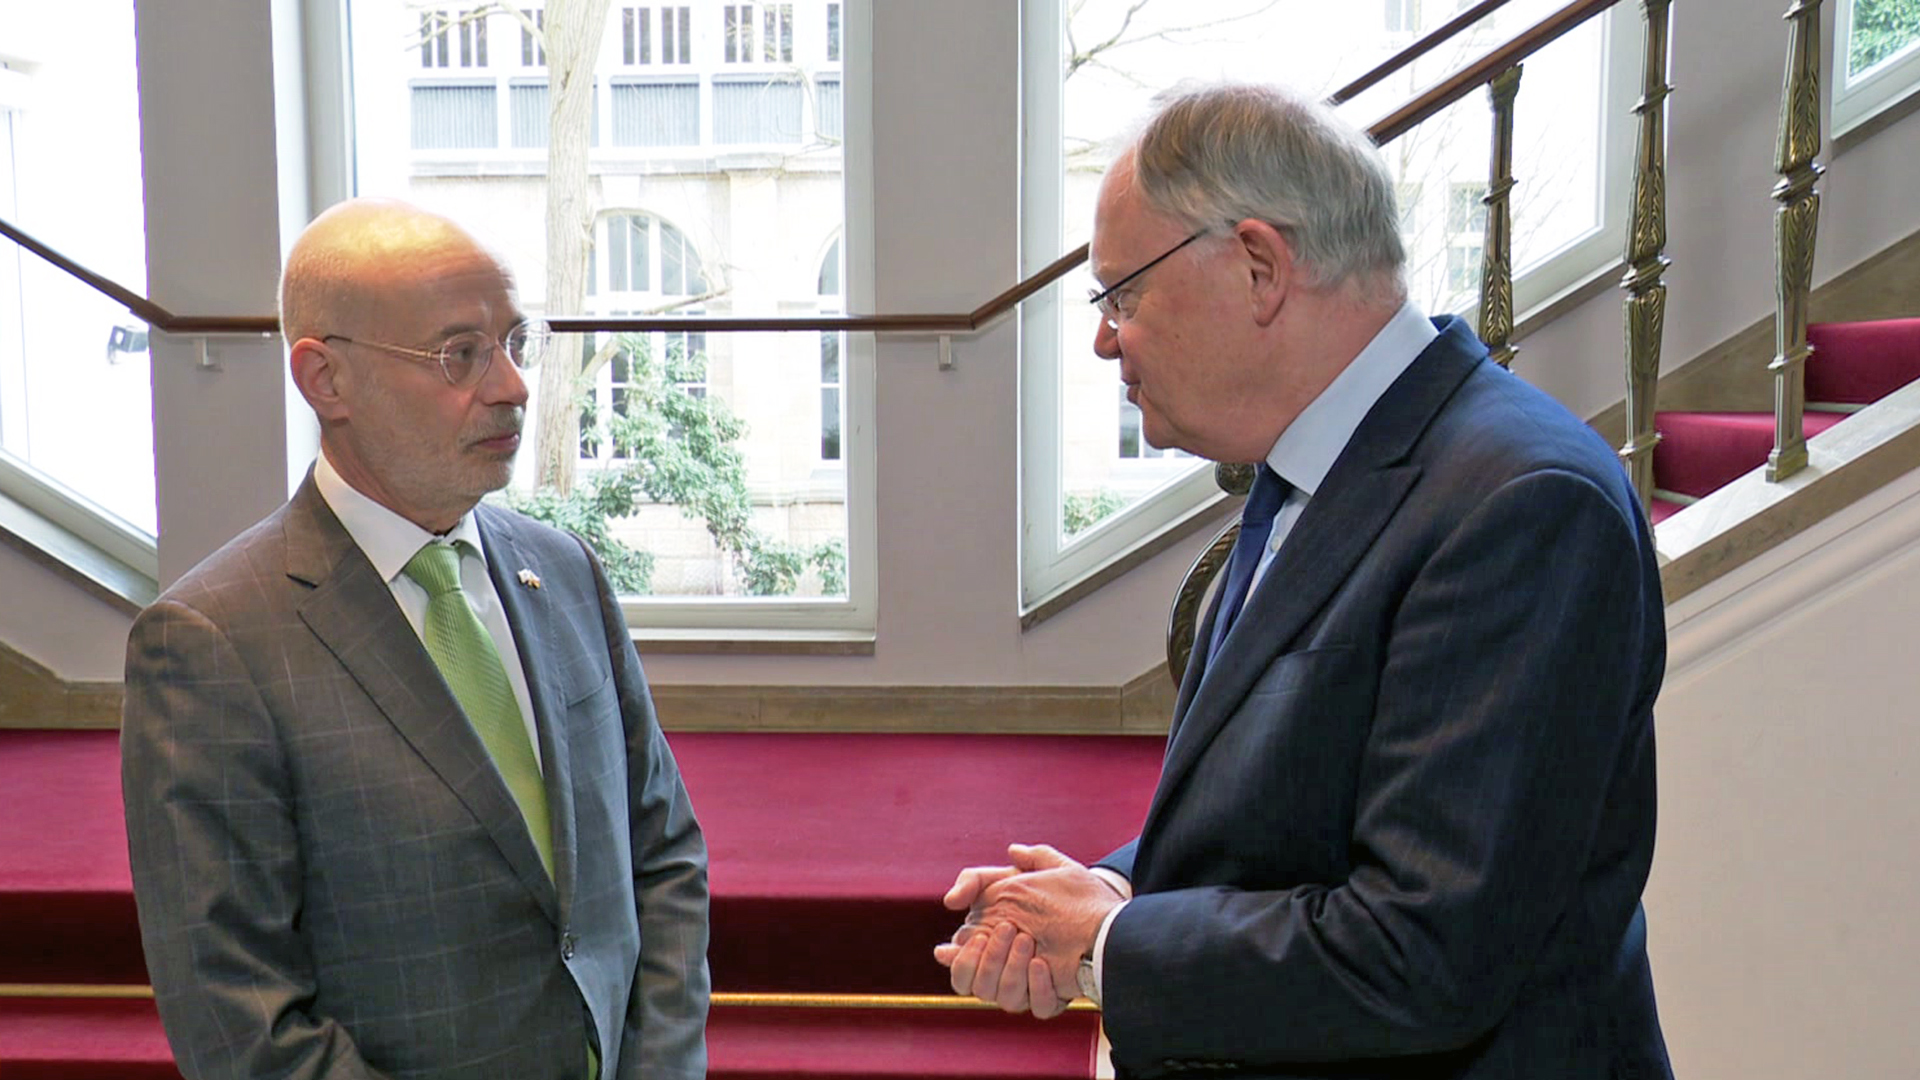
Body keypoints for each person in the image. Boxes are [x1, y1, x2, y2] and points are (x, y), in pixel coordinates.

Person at [936, 83, 1672, 1078]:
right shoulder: (1309, 469)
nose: (1107, 338)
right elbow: (1279, 826)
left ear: (1258, 267)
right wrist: (1108, 892)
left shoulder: (1521, 501)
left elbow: (1422, 951)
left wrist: (1106, 949)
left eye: (1122, 295)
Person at [121, 198, 710, 1080]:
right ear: (326, 380)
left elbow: (661, 860)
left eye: (516, 343)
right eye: (459, 355)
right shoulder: (212, 642)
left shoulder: (565, 571)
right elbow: (240, 1023)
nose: (511, 385)